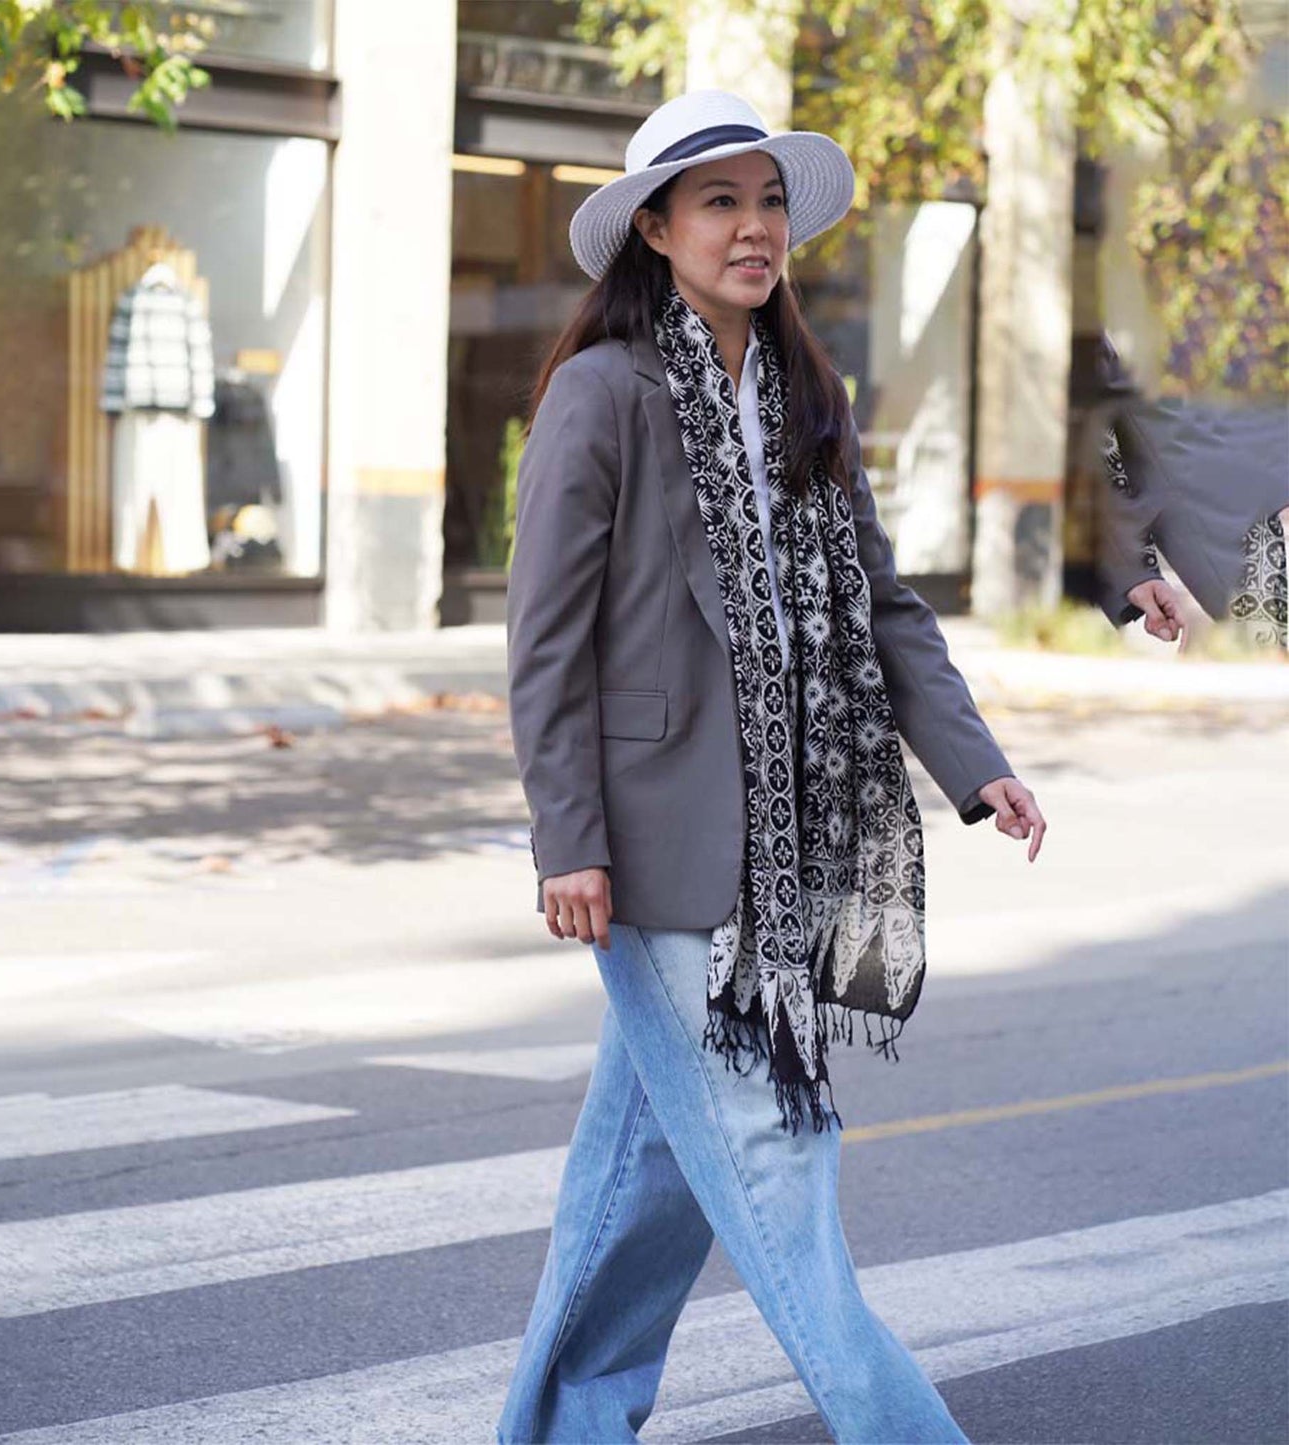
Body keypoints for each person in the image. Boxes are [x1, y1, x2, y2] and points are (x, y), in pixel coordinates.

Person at [498, 89, 1047, 1445]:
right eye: (718, 203)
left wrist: (973, 767)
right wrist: (566, 834)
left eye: (766, 201)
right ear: (655, 230)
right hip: (653, 850)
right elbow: (544, 638)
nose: (752, 228)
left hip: (783, 838)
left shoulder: (806, 391)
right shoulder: (603, 393)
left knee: (646, 1182)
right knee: (772, 1153)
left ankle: (560, 1428)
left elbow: (878, 602)